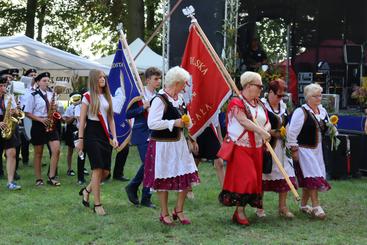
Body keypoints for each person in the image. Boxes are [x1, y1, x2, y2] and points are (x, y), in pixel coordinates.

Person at [144, 66, 200, 225]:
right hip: (163, 145)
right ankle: (164, 213)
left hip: (180, 144)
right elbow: (152, 123)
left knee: (186, 175)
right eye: (183, 84)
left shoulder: (180, 99)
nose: (185, 87)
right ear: (176, 83)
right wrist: (173, 123)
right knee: (163, 178)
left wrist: (188, 125)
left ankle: (179, 210)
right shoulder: (160, 99)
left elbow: (186, 119)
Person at [218, 71, 271, 226]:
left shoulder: (259, 103)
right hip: (241, 146)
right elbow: (243, 121)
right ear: (248, 86)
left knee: (255, 180)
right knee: (247, 179)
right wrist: (261, 131)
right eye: (259, 86)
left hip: (257, 147)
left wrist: (266, 129)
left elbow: (267, 121)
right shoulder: (237, 102)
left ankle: (239, 211)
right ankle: (240, 212)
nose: (261, 89)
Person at [76, 69, 118, 216]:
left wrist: (115, 137)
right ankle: (97, 204)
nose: (102, 79)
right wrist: (80, 140)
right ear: (94, 79)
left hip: (105, 134)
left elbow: (111, 118)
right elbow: (82, 121)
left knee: (105, 172)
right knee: (97, 168)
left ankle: (87, 190)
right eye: (99, 77)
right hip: (92, 134)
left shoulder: (107, 96)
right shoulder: (87, 96)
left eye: (103, 77)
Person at [287, 83, 331, 219]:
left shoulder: (322, 111)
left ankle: (304, 205)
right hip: (304, 149)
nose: (319, 98)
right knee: (313, 175)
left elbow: (327, 127)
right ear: (308, 98)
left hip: (317, 149)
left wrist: (331, 129)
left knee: (311, 177)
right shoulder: (301, 112)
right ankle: (317, 207)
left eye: (320, 95)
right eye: (315, 96)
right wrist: (293, 149)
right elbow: (291, 133)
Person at [258, 79, 297, 218]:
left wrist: (289, 142)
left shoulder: (284, 107)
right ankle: (259, 207)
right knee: (264, 175)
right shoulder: (261, 106)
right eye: (278, 95)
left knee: (285, 174)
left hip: (281, 146)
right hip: (267, 146)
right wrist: (271, 133)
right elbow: (257, 125)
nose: (280, 98)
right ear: (270, 92)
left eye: (282, 95)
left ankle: (283, 207)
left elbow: (287, 126)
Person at [125, 67, 162, 208]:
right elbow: (128, 114)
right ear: (147, 80)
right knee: (149, 163)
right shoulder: (139, 96)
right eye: (155, 79)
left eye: (159, 79)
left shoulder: (159, 96)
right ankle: (134, 188)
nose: (158, 81)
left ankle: (144, 195)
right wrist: (142, 107)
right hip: (142, 133)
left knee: (152, 164)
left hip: (155, 133)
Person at [24, 72, 61, 186]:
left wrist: (54, 109)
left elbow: (54, 110)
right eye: (44, 81)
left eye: (47, 80)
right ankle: (38, 179)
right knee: (38, 153)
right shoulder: (33, 95)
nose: (46, 83)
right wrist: (40, 120)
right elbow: (27, 113)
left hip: (50, 123)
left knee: (56, 150)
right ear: (38, 82)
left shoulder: (51, 94)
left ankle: (51, 176)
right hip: (38, 124)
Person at [0, 76, 21, 190]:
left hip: (8, 125)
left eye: (4, 85)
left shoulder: (9, 96)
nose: (3, 88)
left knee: (12, 153)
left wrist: (15, 111)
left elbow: (17, 112)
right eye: (1, 86)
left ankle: (10, 182)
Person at [63, 92, 81, 177]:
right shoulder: (69, 108)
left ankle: (81, 168)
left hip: (80, 128)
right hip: (71, 129)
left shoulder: (82, 107)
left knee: (81, 150)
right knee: (70, 150)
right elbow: (66, 121)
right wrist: (74, 116)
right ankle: (69, 169)